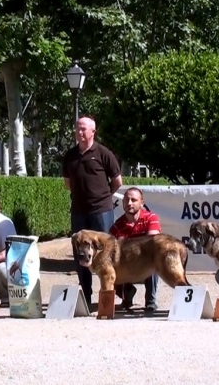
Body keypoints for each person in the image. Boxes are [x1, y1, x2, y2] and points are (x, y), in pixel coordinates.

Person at [61, 116, 123, 306]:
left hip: (101, 212)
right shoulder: (70, 156)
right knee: (80, 254)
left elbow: (117, 181)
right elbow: (67, 184)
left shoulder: (104, 153)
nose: (79, 132)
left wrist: (103, 197)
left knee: (107, 255)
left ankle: (113, 294)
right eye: (77, 129)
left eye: (83, 129)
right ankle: (86, 297)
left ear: (93, 132)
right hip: (79, 212)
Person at [109, 187, 161, 313]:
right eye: (126, 200)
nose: (129, 203)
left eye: (133, 200)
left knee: (153, 260)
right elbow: (110, 251)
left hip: (145, 263)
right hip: (127, 266)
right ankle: (127, 296)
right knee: (110, 268)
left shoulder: (151, 218)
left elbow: (152, 242)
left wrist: (127, 245)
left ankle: (150, 301)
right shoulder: (117, 226)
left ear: (142, 203)